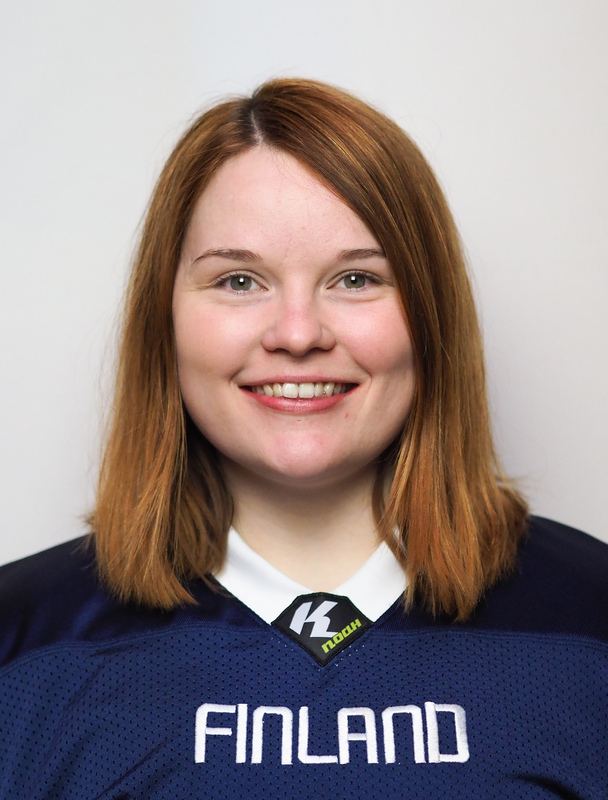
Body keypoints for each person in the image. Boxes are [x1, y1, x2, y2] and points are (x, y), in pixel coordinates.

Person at [0, 78, 606, 798]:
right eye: (238, 281)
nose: (297, 334)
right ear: (165, 321)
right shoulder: (23, 645)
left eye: (355, 278)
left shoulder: (588, 622)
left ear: (432, 315)